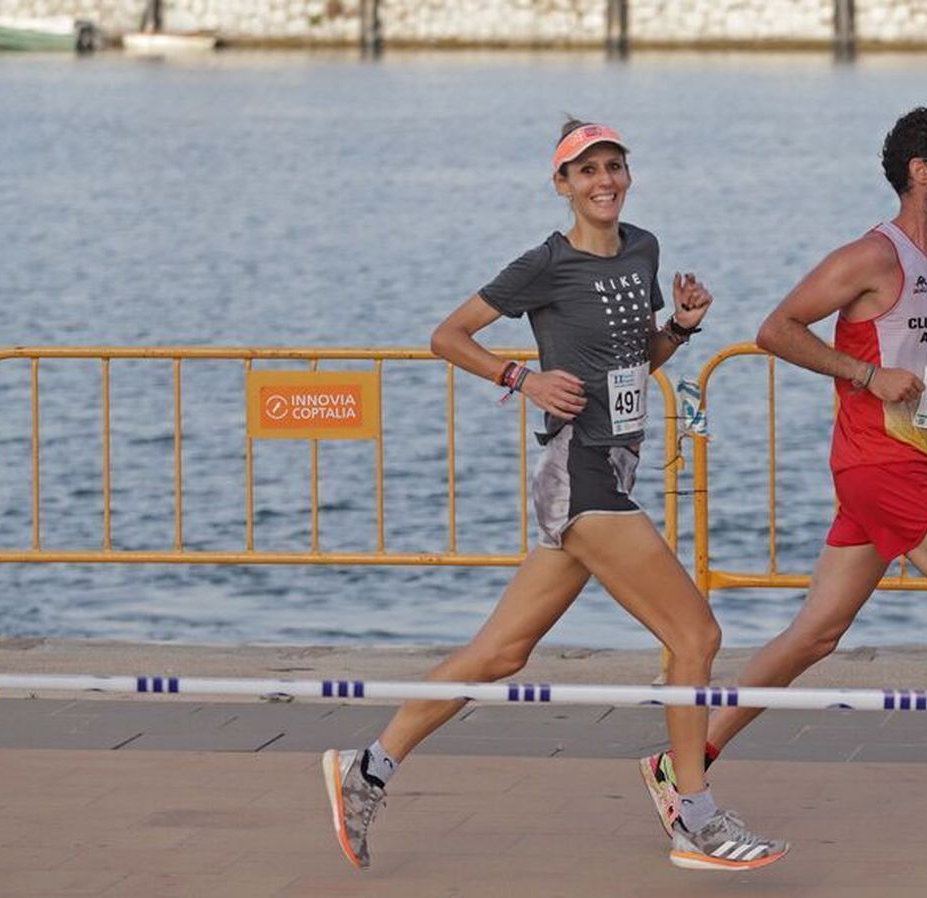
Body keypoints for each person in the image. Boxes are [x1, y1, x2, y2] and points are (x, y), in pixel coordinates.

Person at [323, 120, 788, 873]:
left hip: (615, 470)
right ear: (563, 184)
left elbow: (634, 360)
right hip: (582, 478)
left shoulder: (644, 249)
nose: (605, 180)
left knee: (501, 653)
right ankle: (693, 818)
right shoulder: (545, 263)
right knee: (696, 637)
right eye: (587, 171)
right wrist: (522, 378)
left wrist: (679, 327)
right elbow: (448, 335)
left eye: (615, 166)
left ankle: (365, 769)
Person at [639, 107, 927, 844]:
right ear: (922, 172)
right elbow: (775, 329)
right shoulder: (872, 256)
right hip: (879, 469)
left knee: (815, 635)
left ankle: (684, 760)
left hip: (901, 464)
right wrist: (863, 372)